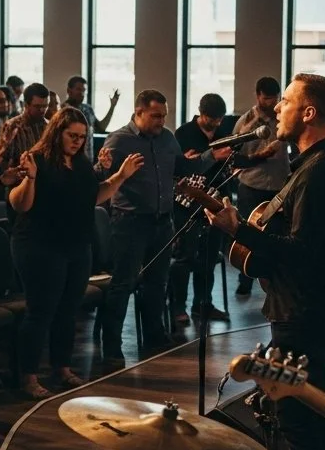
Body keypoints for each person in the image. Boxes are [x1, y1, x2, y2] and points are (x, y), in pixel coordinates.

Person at [204, 74, 325, 450]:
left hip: (304, 312)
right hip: (305, 308)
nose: (277, 109)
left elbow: (303, 254)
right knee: (313, 417)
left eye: (286, 101)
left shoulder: (321, 169)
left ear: (308, 112)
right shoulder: (317, 163)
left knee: (299, 423)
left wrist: (238, 229)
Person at [8, 107, 143, 399]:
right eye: (72, 135)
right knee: (40, 311)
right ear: (57, 132)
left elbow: (94, 196)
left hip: (76, 245)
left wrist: (120, 176)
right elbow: (20, 204)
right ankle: (28, 376)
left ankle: (62, 368)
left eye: (82, 137)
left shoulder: (80, 164)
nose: (78, 141)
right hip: (40, 245)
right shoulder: (38, 160)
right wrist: (30, 178)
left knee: (68, 310)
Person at [96, 90, 226, 362]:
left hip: (162, 221)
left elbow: (184, 168)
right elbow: (101, 181)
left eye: (164, 116)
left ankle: (155, 336)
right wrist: (105, 167)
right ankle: (112, 348)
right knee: (124, 284)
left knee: (157, 282)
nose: (160, 121)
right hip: (130, 223)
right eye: (155, 116)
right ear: (138, 112)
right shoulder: (119, 141)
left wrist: (211, 157)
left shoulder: (167, 138)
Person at [168, 92, 234, 323]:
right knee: (185, 256)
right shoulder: (183, 133)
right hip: (186, 204)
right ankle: (178, 307)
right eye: (211, 119)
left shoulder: (224, 132)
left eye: (219, 119)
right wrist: (199, 158)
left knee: (209, 255)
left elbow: (229, 163)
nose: (215, 123)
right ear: (201, 113)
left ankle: (203, 304)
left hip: (214, 201)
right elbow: (179, 167)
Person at [230, 77, 290, 297]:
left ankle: (275, 281)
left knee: (278, 235)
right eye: (267, 98)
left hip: (278, 185)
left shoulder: (282, 117)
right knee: (248, 232)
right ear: (258, 96)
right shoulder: (246, 123)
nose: (271, 102)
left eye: (274, 97)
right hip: (252, 185)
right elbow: (235, 158)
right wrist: (260, 155)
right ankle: (245, 279)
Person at [63, 76, 121, 161]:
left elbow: (101, 127)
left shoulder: (87, 109)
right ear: (69, 91)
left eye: (84, 91)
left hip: (88, 160)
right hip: (69, 160)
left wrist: (112, 106)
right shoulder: (62, 111)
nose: (82, 93)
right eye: (78, 89)